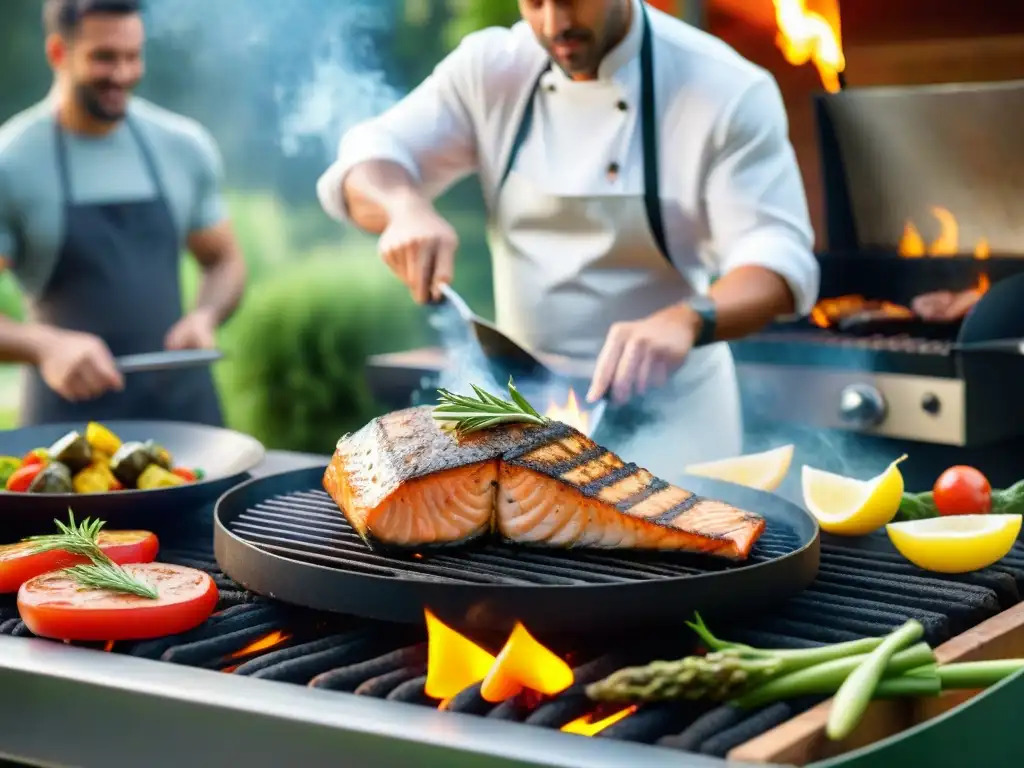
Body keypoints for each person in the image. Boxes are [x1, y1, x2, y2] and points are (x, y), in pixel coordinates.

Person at [316, 0, 819, 471]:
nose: (555, 24)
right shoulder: (492, 68)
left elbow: (777, 260)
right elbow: (367, 159)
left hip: (675, 415)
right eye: (534, 2)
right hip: (524, 410)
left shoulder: (723, 87)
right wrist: (404, 208)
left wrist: (686, 319)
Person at [0, 0, 246, 426]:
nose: (123, 73)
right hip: (66, 432)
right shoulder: (11, 163)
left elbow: (223, 259)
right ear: (58, 52)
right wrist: (43, 345)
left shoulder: (183, 146)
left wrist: (204, 315)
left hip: (188, 422)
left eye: (133, 56)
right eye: (104, 57)